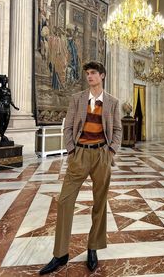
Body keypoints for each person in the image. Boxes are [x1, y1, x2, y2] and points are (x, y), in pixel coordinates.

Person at [39, 61, 122, 275]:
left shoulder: (112, 102)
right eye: (87, 73)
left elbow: (117, 129)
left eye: (93, 73)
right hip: (80, 154)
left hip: (102, 155)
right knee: (65, 201)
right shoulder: (77, 99)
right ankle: (60, 254)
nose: (90, 76)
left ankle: (93, 248)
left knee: (100, 203)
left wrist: (111, 152)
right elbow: (68, 127)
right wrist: (71, 151)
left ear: (102, 75)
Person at [0, 75, 19, 142]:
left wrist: (14, 106)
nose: (4, 81)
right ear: (1, 82)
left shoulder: (8, 90)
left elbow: (10, 99)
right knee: (1, 122)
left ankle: (2, 134)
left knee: (6, 122)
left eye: (5, 80)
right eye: (3, 80)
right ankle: (2, 135)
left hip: (7, 107)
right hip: (1, 106)